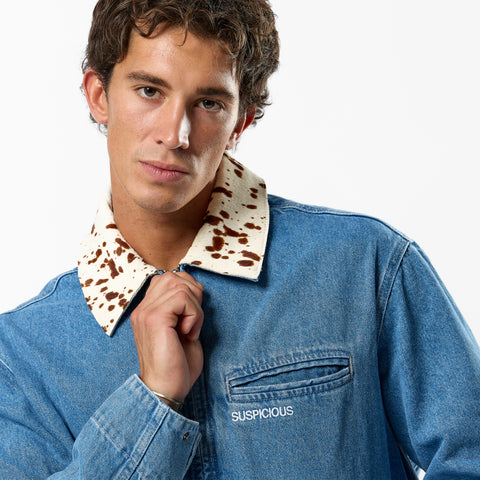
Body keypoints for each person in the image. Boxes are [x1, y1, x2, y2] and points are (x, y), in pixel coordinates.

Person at [0, 0, 479, 478]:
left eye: (209, 103)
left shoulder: (364, 264)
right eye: (149, 91)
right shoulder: (22, 354)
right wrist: (152, 401)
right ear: (98, 95)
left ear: (241, 122)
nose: (175, 133)